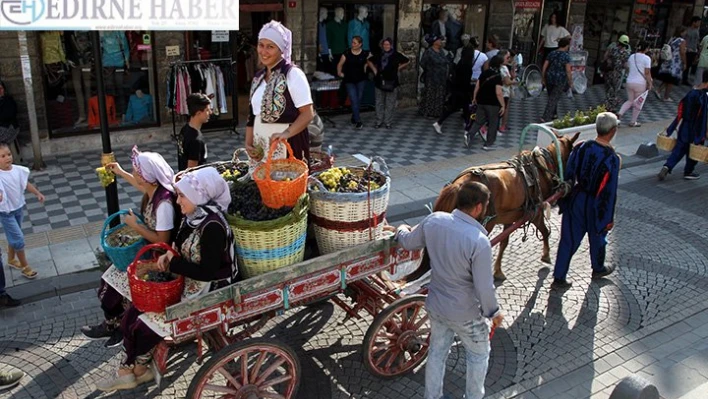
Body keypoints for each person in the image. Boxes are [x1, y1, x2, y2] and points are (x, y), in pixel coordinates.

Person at [97, 167, 238, 392]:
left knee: (145, 322)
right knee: (135, 309)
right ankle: (135, 370)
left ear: (198, 196)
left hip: (209, 287)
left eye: (182, 196)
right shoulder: (192, 217)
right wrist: (164, 258)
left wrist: (171, 263)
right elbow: (178, 248)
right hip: (187, 278)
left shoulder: (213, 227)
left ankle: (131, 370)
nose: (178, 201)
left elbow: (207, 272)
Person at [386, 181, 503, 399]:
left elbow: (409, 242)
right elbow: (484, 287)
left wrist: (400, 229)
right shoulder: (479, 241)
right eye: (485, 206)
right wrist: (494, 313)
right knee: (478, 356)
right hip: (466, 315)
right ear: (478, 207)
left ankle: (433, 396)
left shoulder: (434, 220)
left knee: (437, 353)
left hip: (436, 306)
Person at [81, 147, 178, 347]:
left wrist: (136, 226)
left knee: (114, 285)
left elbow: (163, 241)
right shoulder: (153, 190)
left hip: (158, 258)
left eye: (137, 172)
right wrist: (120, 171)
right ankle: (114, 324)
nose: (135, 176)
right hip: (146, 250)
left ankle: (117, 326)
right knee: (108, 282)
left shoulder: (164, 204)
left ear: (149, 178)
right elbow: (140, 185)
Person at [552, 112, 621, 290]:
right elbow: (609, 191)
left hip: (577, 197)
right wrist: (608, 218)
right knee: (598, 236)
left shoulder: (582, 147)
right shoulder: (611, 159)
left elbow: (569, 173)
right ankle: (597, 268)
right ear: (612, 131)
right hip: (596, 203)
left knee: (568, 239)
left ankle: (559, 276)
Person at [247, 21, 314, 163]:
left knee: (285, 182)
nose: (263, 52)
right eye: (261, 45)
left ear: (281, 50)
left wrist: (286, 134)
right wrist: (248, 143)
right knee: (261, 183)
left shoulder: (292, 74)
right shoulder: (258, 77)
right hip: (261, 146)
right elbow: (252, 115)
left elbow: (307, 114)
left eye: (270, 47)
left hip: (288, 144)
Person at [0, 142, 44, 282]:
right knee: (18, 239)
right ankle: (25, 267)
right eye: (2, 156)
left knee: (15, 233)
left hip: (18, 208)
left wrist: (37, 193)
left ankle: (11, 259)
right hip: (5, 212)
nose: (7, 158)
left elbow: (25, 184)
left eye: (9, 154)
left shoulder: (18, 170)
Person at [657, 70, 708, 182]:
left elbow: (681, 110)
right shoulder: (704, 96)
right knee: (694, 150)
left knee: (679, 148)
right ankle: (688, 171)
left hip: (685, 124)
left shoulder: (691, 93)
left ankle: (667, 166)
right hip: (697, 128)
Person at [432, 45, 476, 135]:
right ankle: (468, 129)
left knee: (459, 108)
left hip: (458, 89)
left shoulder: (461, 62)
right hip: (463, 91)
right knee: (459, 108)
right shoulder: (467, 65)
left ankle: (468, 128)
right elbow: (465, 80)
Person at [367, 38, 410, 129]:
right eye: (384, 44)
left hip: (392, 81)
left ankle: (388, 122)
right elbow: (369, 61)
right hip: (379, 81)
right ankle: (379, 121)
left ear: (391, 45)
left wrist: (398, 69)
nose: (386, 46)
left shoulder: (396, 55)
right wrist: (375, 70)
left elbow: (407, 61)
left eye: (388, 44)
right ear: (382, 45)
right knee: (379, 102)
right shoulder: (379, 54)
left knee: (390, 103)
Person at [465, 55, 505, 151]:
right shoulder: (498, 76)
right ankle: (488, 144)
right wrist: (503, 105)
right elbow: (498, 92)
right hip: (493, 103)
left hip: (481, 101)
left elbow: (477, 86)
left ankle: (469, 135)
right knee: (493, 123)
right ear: (499, 64)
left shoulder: (484, 73)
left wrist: (474, 98)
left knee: (478, 121)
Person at [337, 35, 370, 129]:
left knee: (358, 100)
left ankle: (354, 116)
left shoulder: (364, 53)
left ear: (360, 44)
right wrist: (340, 72)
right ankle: (358, 121)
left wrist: (366, 67)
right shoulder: (347, 53)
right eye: (352, 42)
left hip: (361, 79)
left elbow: (371, 61)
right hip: (349, 80)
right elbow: (340, 64)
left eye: (355, 43)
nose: (353, 44)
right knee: (353, 99)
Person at [618, 41, 653, 127]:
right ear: (646, 49)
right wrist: (650, 83)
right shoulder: (647, 58)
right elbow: (647, 72)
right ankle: (633, 121)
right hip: (640, 83)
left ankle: (619, 114)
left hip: (629, 81)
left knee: (630, 100)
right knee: (638, 103)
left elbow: (628, 68)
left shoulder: (632, 56)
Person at [541, 37, 572, 122]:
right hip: (560, 79)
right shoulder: (566, 56)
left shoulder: (552, 53)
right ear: (566, 46)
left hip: (549, 77)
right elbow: (568, 70)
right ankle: (545, 116)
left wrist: (543, 77)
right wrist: (570, 82)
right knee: (553, 98)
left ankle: (554, 114)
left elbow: (544, 66)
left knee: (552, 96)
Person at [419, 34, 451, 118]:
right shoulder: (429, 52)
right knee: (430, 95)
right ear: (434, 42)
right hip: (431, 78)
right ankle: (428, 112)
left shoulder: (441, 51)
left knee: (439, 95)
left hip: (441, 78)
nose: (441, 42)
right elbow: (422, 63)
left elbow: (445, 62)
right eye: (439, 40)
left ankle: (437, 112)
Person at [177, 93, 210, 171]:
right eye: (207, 110)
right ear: (198, 113)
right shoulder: (196, 140)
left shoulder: (184, 129)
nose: (210, 113)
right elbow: (191, 171)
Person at [656, 27, 687, 102]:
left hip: (668, 60)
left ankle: (659, 90)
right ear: (682, 32)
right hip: (676, 62)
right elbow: (682, 52)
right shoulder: (682, 41)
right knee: (671, 80)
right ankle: (666, 96)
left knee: (668, 78)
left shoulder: (672, 39)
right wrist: (685, 62)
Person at [603, 35, 631, 113]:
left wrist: (608, 62)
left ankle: (607, 105)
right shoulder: (626, 53)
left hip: (609, 72)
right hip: (618, 73)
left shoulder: (612, 48)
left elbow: (605, 57)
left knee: (608, 89)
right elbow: (625, 65)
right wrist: (627, 72)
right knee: (615, 90)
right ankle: (611, 106)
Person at [498, 49, 516, 133]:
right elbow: (507, 81)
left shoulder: (502, 67)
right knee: (503, 109)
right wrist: (516, 82)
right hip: (504, 92)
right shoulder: (503, 68)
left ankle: (502, 125)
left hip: (503, 91)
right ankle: (501, 126)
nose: (509, 59)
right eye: (507, 57)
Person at [684, 17, 701, 86]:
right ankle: (683, 78)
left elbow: (696, 42)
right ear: (694, 22)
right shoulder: (688, 30)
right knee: (686, 64)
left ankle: (685, 78)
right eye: (698, 22)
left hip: (692, 50)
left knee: (688, 65)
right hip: (687, 49)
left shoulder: (696, 31)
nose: (699, 24)